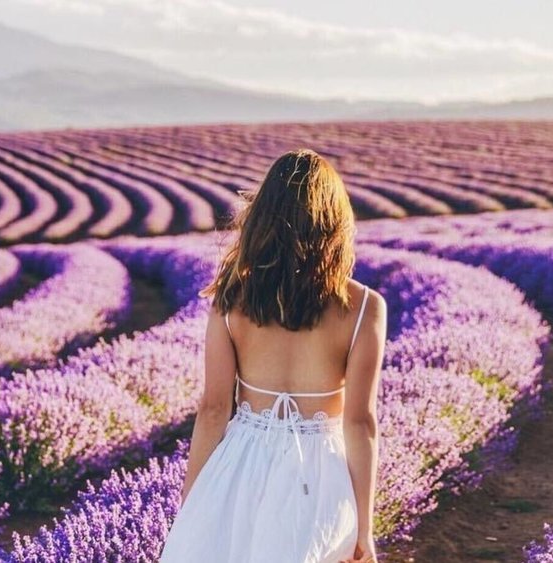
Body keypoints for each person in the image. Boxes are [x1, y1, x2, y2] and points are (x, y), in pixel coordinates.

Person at [158, 148, 387, 563]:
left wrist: (192, 509)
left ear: (262, 216)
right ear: (335, 221)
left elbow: (213, 410)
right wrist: (365, 528)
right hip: (319, 474)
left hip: (242, 463)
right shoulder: (364, 307)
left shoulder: (231, 299)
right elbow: (360, 422)